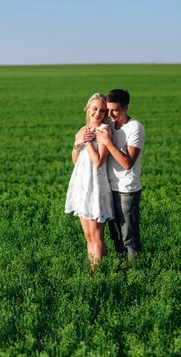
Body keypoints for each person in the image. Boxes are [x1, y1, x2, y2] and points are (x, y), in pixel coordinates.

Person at [65, 93, 114, 274]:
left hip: (96, 186)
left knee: (97, 235)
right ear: (88, 108)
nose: (98, 113)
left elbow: (99, 161)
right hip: (82, 186)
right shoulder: (82, 130)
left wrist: (89, 143)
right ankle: (93, 271)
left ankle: (100, 273)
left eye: (102, 110)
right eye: (95, 109)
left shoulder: (103, 131)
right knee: (88, 236)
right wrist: (78, 143)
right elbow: (75, 160)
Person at [96, 89, 145, 258]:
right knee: (116, 237)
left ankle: (136, 275)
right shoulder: (109, 126)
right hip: (109, 188)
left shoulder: (135, 127)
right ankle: (122, 273)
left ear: (126, 107)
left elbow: (127, 163)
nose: (110, 114)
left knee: (129, 238)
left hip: (127, 190)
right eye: (108, 110)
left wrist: (108, 142)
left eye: (115, 110)